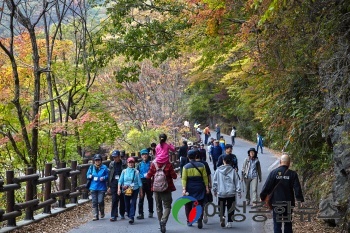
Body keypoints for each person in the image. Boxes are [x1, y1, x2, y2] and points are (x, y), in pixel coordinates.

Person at [260, 154, 304, 233]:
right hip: (288, 203)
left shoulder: (273, 173)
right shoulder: (292, 174)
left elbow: (267, 186)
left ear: (280, 162)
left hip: (277, 202)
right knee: (288, 223)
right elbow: (297, 188)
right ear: (289, 163)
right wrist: (300, 200)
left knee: (277, 224)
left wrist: (262, 197)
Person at [146, 153, 177, 233]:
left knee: (158, 206)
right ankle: (163, 221)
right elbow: (174, 176)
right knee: (167, 206)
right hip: (166, 189)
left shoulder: (153, 164)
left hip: (156, 189)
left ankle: (161, 223)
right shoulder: (168, 164)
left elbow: (148, 176)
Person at [182, 150, 209, 229]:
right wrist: (207, 187)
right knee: (199, 203)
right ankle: (199, 217)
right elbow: (205, 177)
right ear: (196, 156)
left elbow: (184, 179)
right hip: (199, 186)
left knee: (188, 204)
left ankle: (189, 220)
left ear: (188, 157)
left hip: (189, 187)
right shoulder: (201, 165)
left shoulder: (186, 167)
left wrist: (184, 189)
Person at [212, 154, 242, 228]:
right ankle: (229, 222)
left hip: (221, 192)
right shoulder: (233, 171)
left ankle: (222, 216)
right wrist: (239, 191)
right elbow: (237, 181)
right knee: (231, 207)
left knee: (221, 206)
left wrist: (215, 190)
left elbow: (215, 181)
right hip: (231, 192)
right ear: (231, 162)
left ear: (223, 161)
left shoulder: (218, 170)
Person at [118, 157, 143, 224]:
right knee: (127, 203)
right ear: (127, 163)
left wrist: (141, 192)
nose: (131, 164)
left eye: (132, 162)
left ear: (134, 163)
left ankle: (131, 217)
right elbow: (120, 181)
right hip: (126, 189)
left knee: (133, 202)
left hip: (135, 188)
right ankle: (129, 214)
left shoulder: (136, 172)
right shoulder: (124, 171)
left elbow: (140, 183)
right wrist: (119, 189)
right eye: (129, 162)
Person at [86, 154, 109, 221]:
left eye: (98, 160)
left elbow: (108, 176)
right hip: (93, 187)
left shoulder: (104, 167)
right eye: (96, 160)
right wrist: (89, 176)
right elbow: (87, 174)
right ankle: (95, 215)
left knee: (100, 201)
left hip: (101, 187)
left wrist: (104, 178)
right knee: (94, 202)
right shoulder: (91, 167)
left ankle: (102, 211)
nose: (97, 161)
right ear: (94, 161)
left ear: (101, 160)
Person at [108, 150, 127, 221]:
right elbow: (109, 175)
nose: (115, 158)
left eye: (116, 157)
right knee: (114, 199)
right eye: (113, 157)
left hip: (122, 183)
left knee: (122, 199)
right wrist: (109, 186)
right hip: (114, 183)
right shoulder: (111, 164)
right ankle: (113, 215)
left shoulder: (124, 164)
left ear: (119, 157)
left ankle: (122, 213)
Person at [195, 150, 212, 224]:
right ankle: (205, 214)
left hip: (195, 186)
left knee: (196, 201)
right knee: (205, 200)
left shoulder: (191, 164)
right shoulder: (205, 163)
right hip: (205, 185)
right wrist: (209, 184)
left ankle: (198, 215)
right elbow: (208, 175)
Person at [136, 149, 154, 219]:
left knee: (150, 198)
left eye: (146, 154)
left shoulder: (151, 164)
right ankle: (141, 213)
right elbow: (136, 174)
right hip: (141, 182)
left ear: (148, 155)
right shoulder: (139, 165)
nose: (145, 156)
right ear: (141, 156)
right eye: (143, 154)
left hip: (149, 181)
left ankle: (151, 212)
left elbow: (153, 172)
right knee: (141, 198)